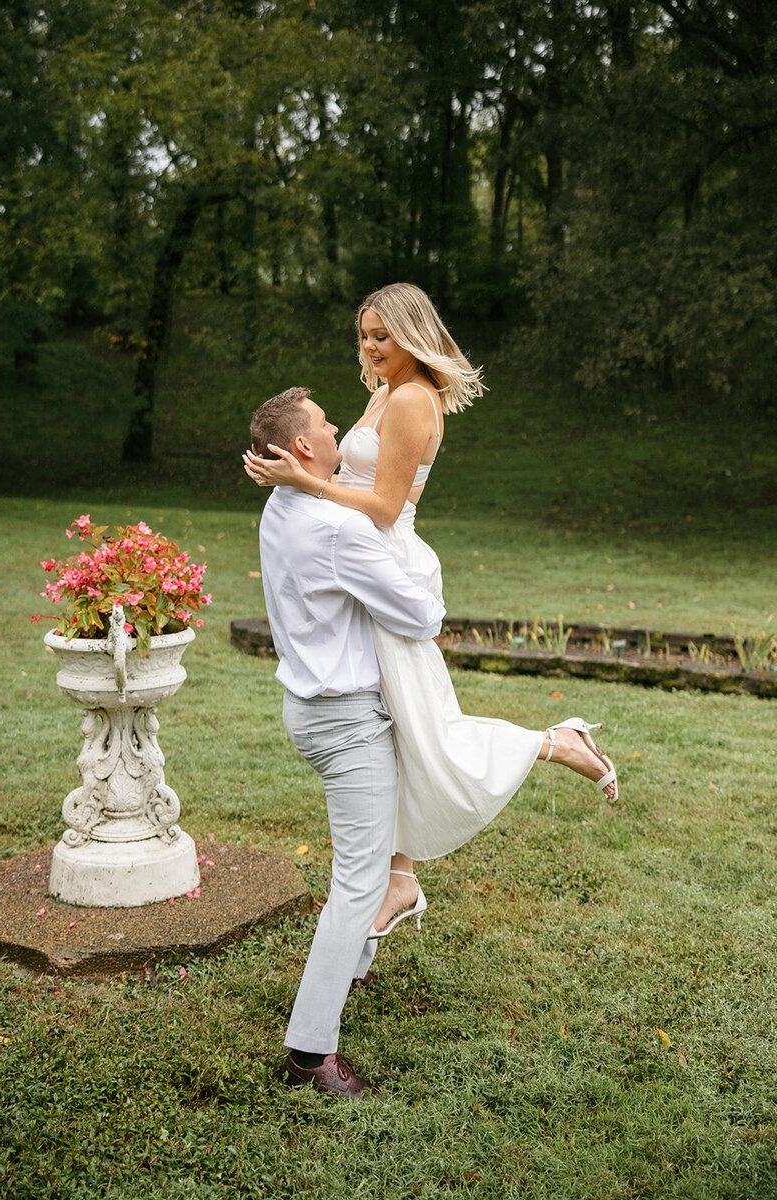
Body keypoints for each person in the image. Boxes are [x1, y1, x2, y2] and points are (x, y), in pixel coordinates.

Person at [245, 282, 617, 941]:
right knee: (398, 728)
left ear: (412, 333)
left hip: (383, 560)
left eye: (382, 335)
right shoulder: (385, 391)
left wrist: (307, 484)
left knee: (425, 729)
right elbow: (352, 480)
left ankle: (558, 743)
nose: (369, 346)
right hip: (355, 559)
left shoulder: (415, 399)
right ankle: (400, 876)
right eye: (363, 334)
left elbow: (386, 507)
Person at [250, 386, 446, 1099]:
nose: (339, 428)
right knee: (358, 884)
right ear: (303, 448)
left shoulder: (283, 508)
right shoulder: (337, 528)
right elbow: (423, 616)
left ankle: (349, 973)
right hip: (347, 721)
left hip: (309, 707)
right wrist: (417, 558)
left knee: (364, 867)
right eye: (327, 424)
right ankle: (310, 1055)